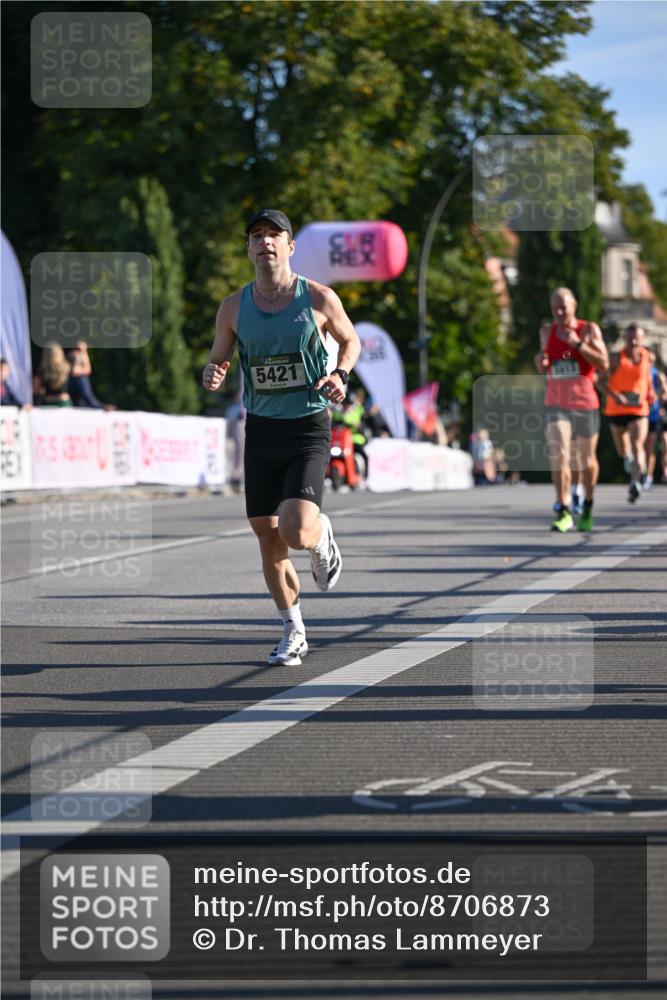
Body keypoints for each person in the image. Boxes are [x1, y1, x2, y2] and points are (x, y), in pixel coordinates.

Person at [202, 208, 360, 666]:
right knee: (268, 539)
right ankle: (293, 629)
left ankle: (320, 534)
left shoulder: (318, 298)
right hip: (263, 429)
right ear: (249, 248)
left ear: (290, 247)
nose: (265, 242)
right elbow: (217, 359)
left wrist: (341, 373)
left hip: (308, 425)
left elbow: (350, 341)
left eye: (275, 235)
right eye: (256, 235)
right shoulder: (233, 307)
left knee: (295, 532)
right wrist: (213, 372)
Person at [536, 287, 608, 532]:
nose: (558, 311)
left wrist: (578, 344)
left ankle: (587, 505)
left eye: (563, 307)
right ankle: (563, 508)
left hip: (585, 403)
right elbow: (547, 363)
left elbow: (604, 363)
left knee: (587, 461)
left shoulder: (589, 329)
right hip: (556, 402)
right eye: (554, 307)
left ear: (574, 306)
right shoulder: (547, 331)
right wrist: (542, 362)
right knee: (560, 455)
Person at [602, 324, 654, 503]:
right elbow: (599, 381)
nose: (633, 341)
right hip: (616, 410)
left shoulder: (648, 356)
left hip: (639, 408)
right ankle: (629, 460)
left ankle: (635, 482)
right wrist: (615, 396)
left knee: (638, 444)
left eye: (637, 338)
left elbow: (648, 377)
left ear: (642, 339)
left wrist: (651, 392)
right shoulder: (616, 358)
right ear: (624, 339)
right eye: (630, 337)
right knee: (623, 450)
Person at [67, 341, 116, 409]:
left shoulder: (84, 356)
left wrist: (83, 356)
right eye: (79, 349)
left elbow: (87, 370)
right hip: (72, 382)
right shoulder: (71, 355)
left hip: (80, 382)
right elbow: (74, 371)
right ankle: (100, 406)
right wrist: (77, 360)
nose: (80, 352)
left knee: (83, 380)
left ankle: (99, 406)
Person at [644, 348, 667, 489]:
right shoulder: (634, 372)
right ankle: (643, 474)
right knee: (642, 447)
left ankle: (649, 476)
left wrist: (658, 400)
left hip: (654, 415)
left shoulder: (657, 375)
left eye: (651, 360)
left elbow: (665, 394)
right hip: (636, 414)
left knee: (654, 446)